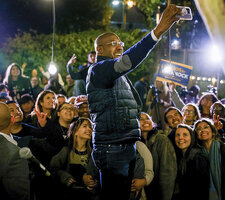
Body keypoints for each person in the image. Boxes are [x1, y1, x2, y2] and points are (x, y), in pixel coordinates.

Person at [86, 5, 181, 199]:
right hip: (113, 150)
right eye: (113, 43)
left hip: (125, 147)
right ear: (99, 49)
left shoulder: (114, 74)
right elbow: (128, 61)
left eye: (120, 42)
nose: (119, 46)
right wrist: (158, 31)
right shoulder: (99, 69)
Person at [194, 118, 225, 200]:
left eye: (206, 127)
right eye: (199, 129)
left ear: (213, 132)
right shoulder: (197, 154)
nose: (202, 130)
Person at [50, 117, 97, 200]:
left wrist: (94, 183)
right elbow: (53, 168)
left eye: (90, 127)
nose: (89, 129)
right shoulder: (66, 151)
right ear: (75, 132)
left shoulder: (94, 152)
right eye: (85, 126)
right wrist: (65, 177)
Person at [139, 112, 177, 200]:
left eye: (148, 118)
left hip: (157, 193)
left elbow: (168, 173)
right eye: (141, 119)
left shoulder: (161, 140)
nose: (146, 121)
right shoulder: (135, 144)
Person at [173, 124, 210, 200]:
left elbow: (202, 189)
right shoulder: (180, 158)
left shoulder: (198, 158)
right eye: (177, 135)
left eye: (185, 135)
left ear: (192, 137)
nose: (180, 138)